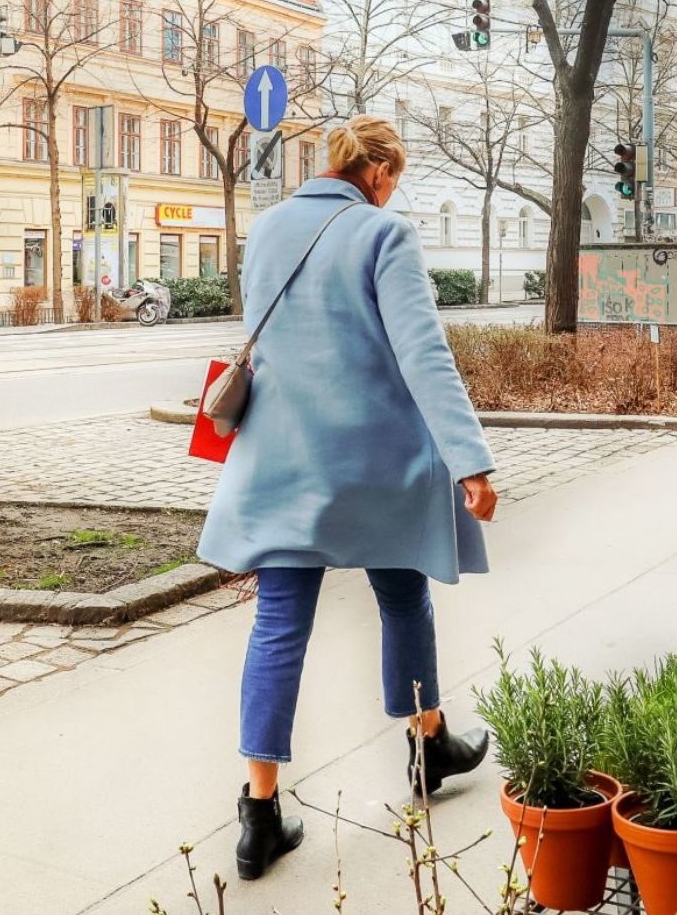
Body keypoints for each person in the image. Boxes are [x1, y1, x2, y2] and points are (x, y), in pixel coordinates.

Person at [198, 115, 498, 882]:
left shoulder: (264, 231)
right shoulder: (382, 235)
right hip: (375, 465)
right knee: (403, 599)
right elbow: (424, 353)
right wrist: (471, 462)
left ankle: (259, 814)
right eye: (395, 177)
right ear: (381, 171)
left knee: (277, 627)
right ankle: (428, 747)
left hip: (283, 465)